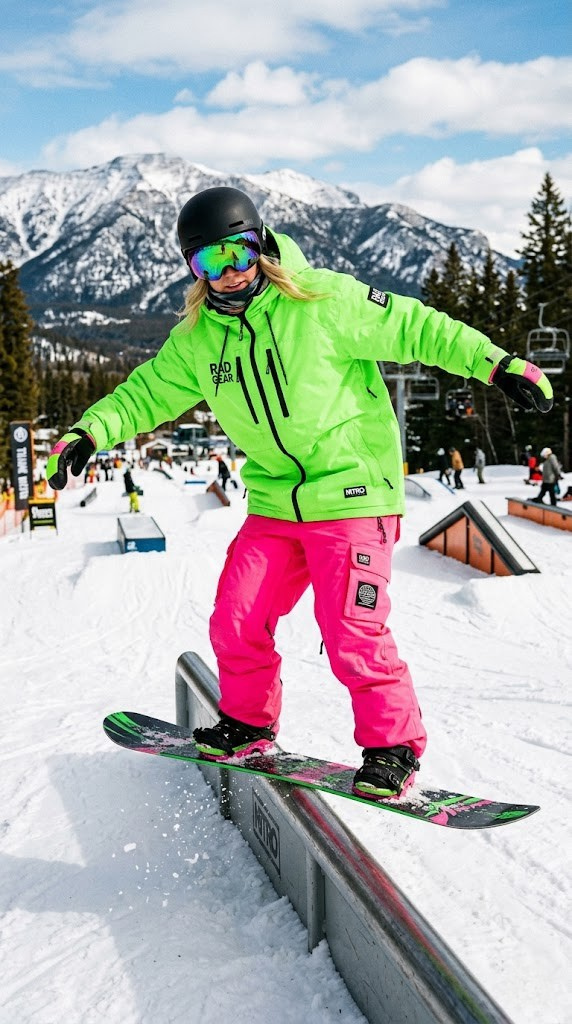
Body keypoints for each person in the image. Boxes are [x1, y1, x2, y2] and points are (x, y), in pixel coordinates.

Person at [45, 185, 553, 801]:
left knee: (350, 628)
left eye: (237, 254)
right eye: (209, 263)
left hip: (353, 493)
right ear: (191, 269)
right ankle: (249, 724)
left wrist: (496, 363)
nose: (228, 274)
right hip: (275, 503)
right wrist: (89, 431)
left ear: (259, 243)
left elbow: (419, 328)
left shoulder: (325, 301)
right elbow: (144, 394)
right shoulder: (199, 339)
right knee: (237, 618)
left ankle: (393, 747)